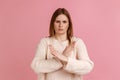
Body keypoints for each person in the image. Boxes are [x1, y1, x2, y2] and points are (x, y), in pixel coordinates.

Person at [31, 8, 94, 80]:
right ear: (53, 23)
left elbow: (88, 67)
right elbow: (36, 66)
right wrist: (60, 59)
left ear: (69, 24)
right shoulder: (45, 42)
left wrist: (66, 59)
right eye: (57, 21)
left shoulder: (77, 42)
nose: (61, 25)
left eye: (64, 22)